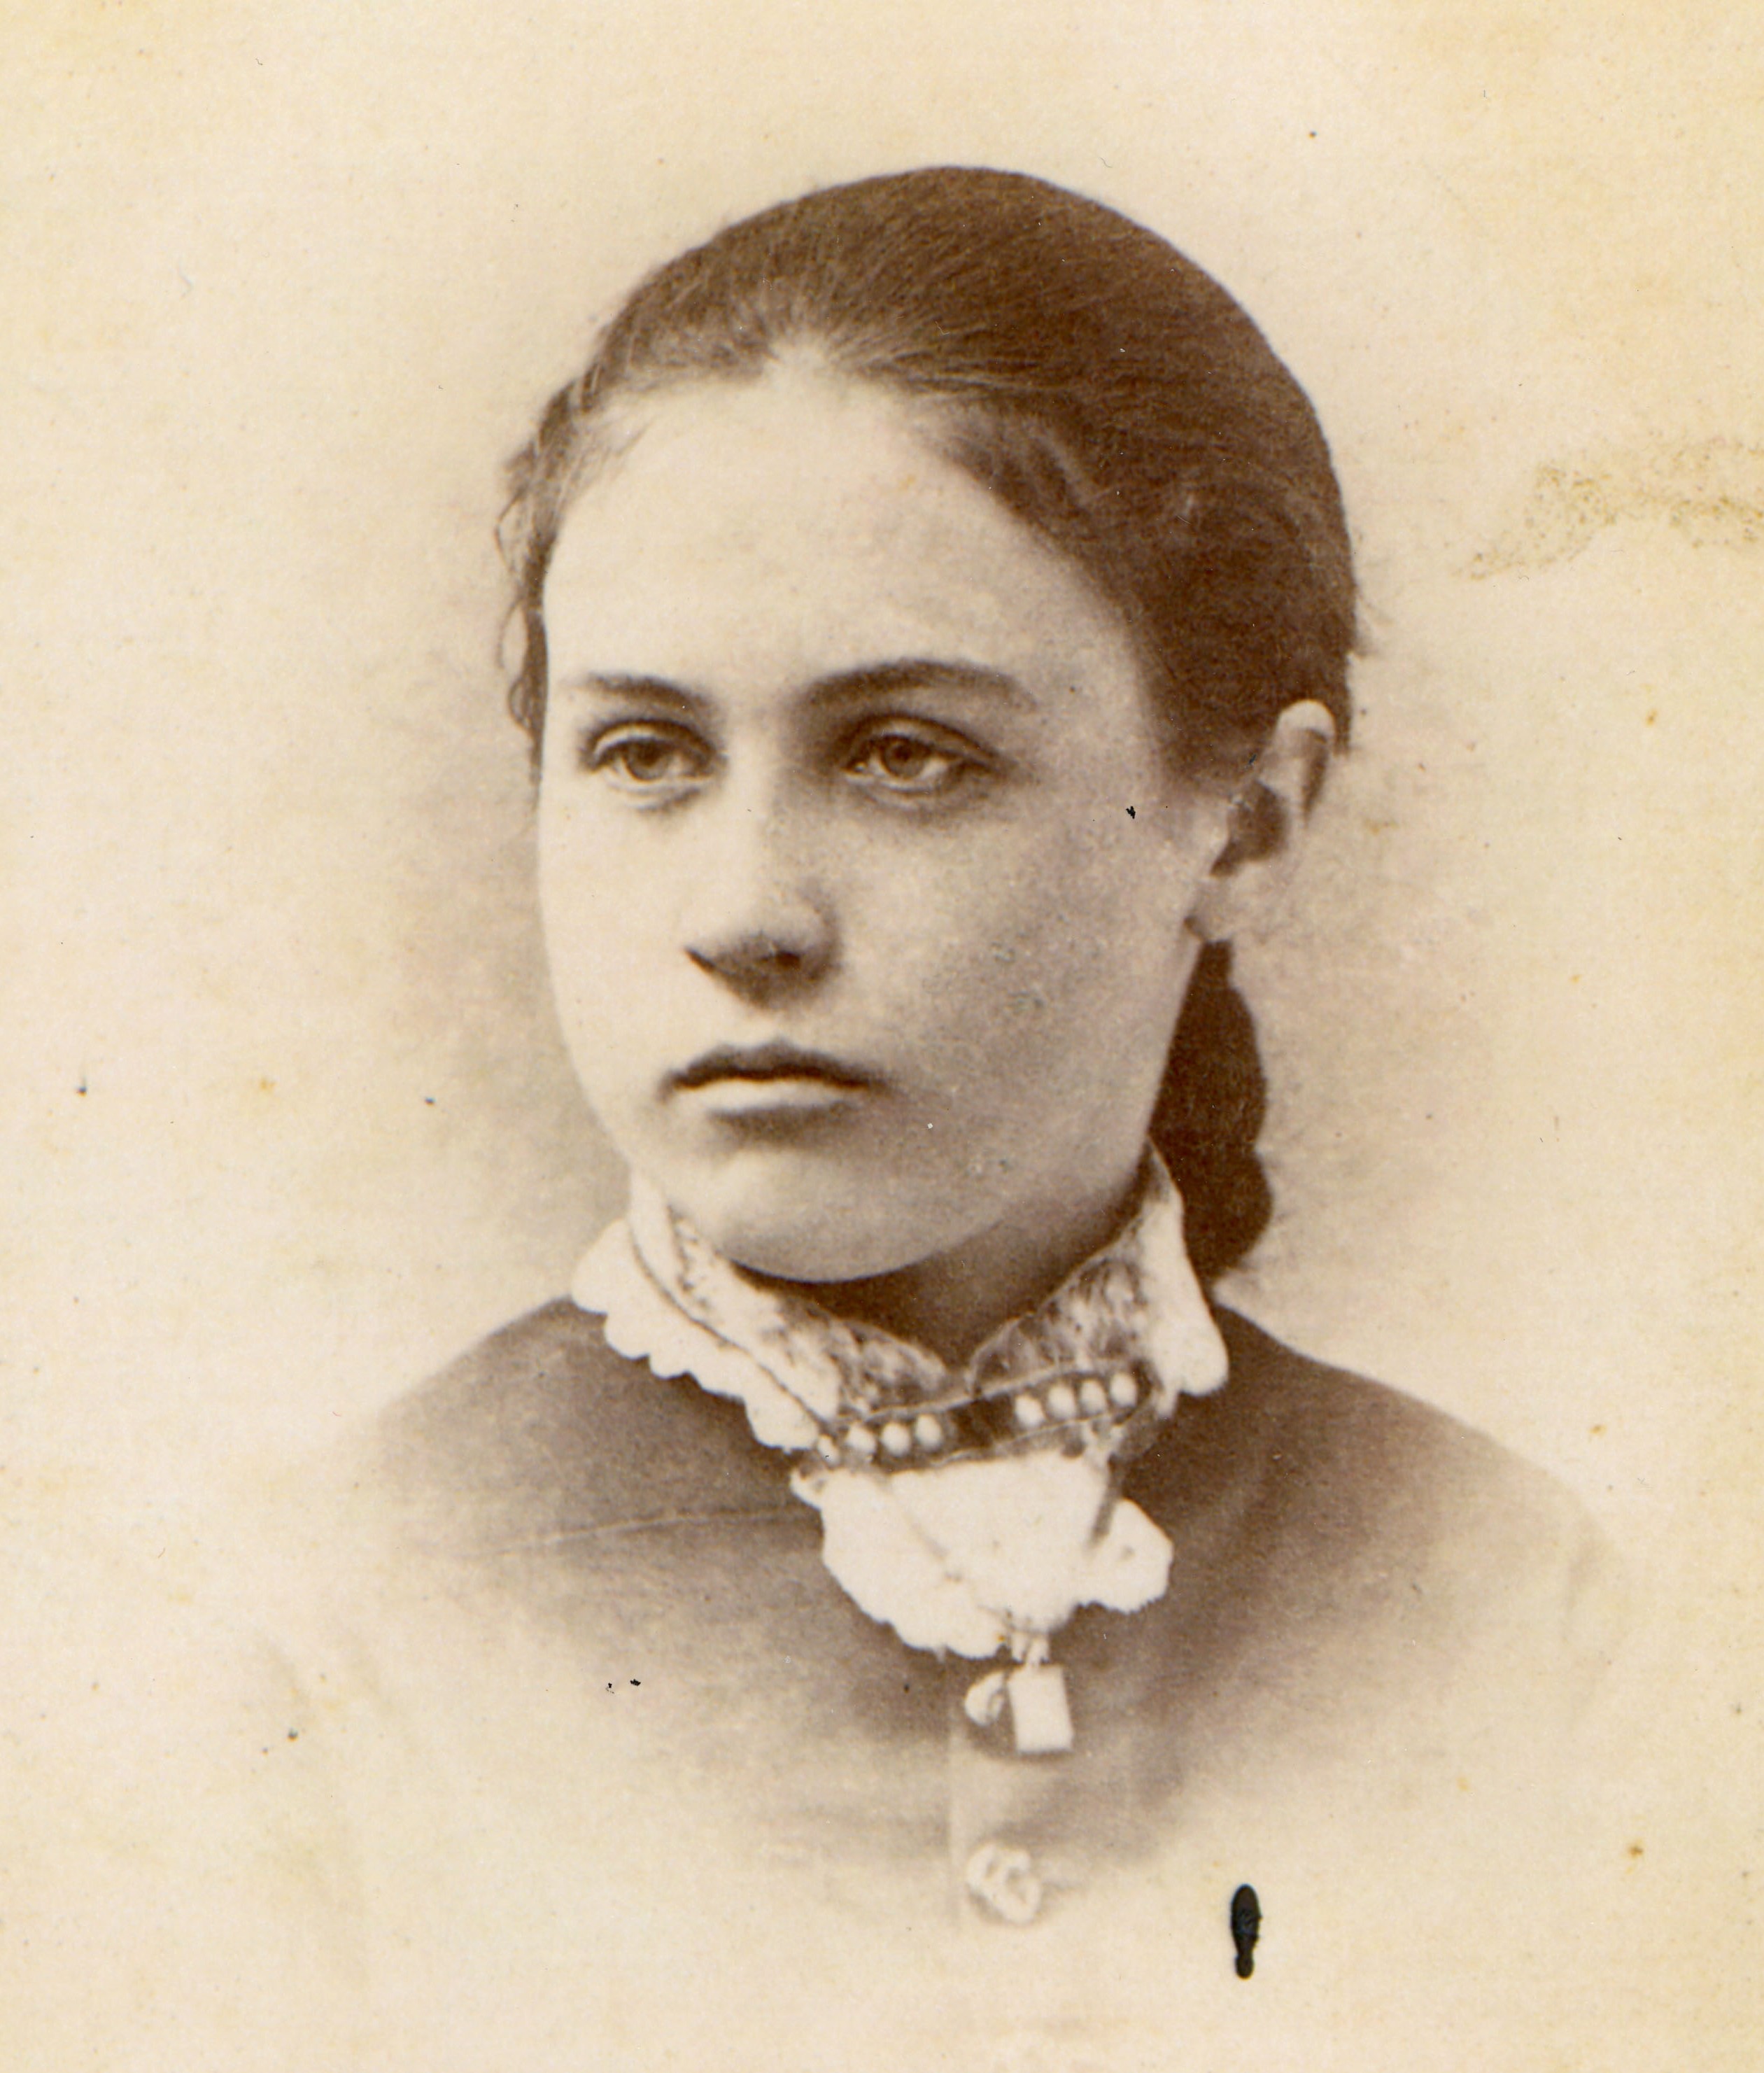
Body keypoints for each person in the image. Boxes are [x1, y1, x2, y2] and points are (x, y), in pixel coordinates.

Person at [278, 168, 1621, 2070]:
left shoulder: (1514, 1603)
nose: (744, 911)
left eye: (906, 754)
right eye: (643, 753)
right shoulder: (317, 1623)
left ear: (1245, 823)